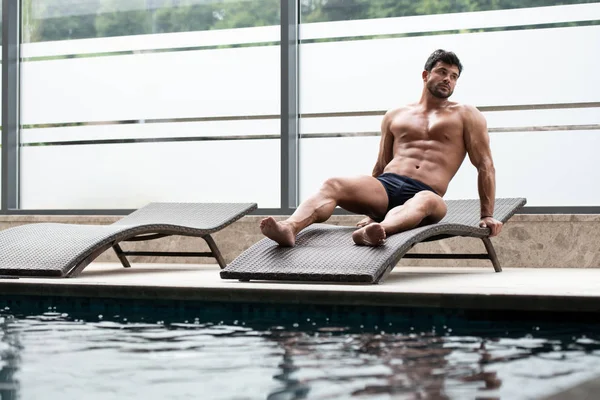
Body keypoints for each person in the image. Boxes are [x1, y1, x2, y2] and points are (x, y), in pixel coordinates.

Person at [261, 49, 503, 247]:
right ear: (425, 74)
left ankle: (377, 231)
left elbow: (485, 165)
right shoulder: (395, 115)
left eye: (454, 76)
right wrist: (369, 209)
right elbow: (381, 163)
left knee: (426, 200)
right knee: (333, 183)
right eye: (442, 72)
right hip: (386, 186)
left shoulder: (467, 115)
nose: (448, 79)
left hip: (427, 194)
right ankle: (290, 228)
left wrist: (487, 215)